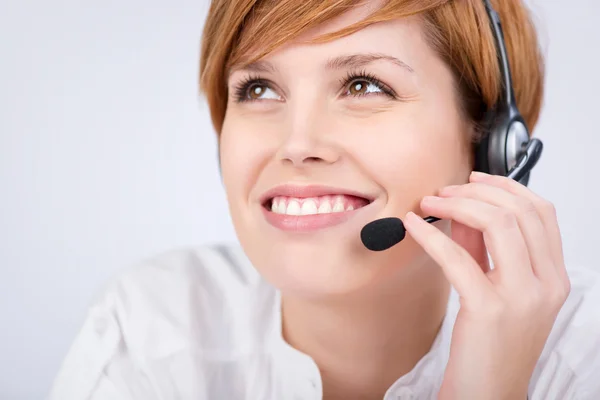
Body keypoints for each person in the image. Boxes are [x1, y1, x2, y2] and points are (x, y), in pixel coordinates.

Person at [50, 0, 600, 399]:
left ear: (491, 145)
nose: (297, 145)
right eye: (258, 89)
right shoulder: (154, 330)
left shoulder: (581, 359)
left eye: (363, 85)